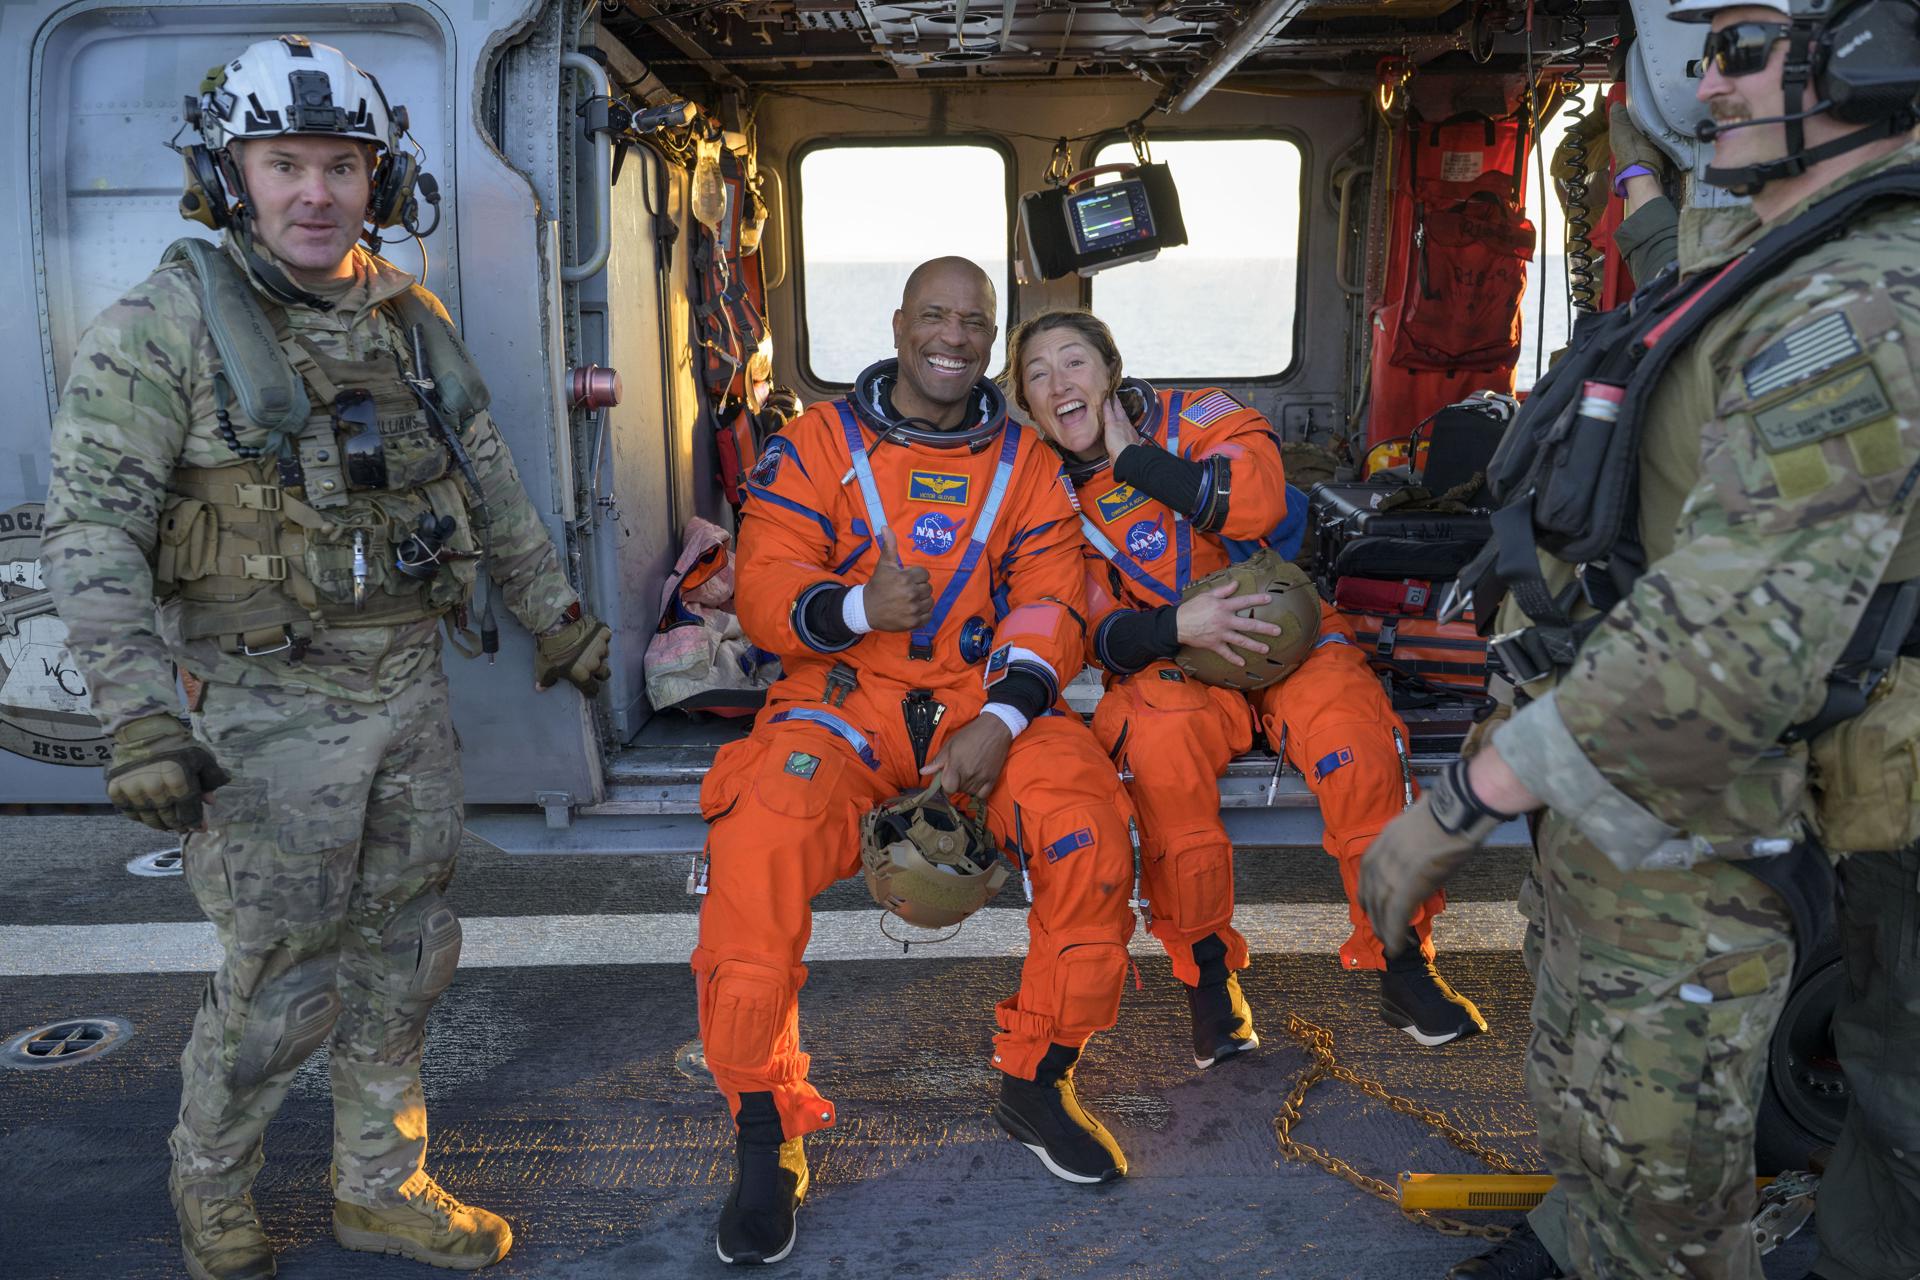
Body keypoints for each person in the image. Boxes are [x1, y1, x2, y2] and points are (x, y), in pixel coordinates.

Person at [1361, 1, 1920, 1275]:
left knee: (1701, 1133)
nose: (1703, 86)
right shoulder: (1777, 248)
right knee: (1641, 1111)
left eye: (1740, 51)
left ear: (1871, 57)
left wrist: (1467, 796)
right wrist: (1626, 162)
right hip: (1671, 761)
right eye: (1698, 54)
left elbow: (1741, 617)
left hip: (1734, 751)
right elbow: (1674, 255)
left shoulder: (1864, 296)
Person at [40, 35, 611, 1280]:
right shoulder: (162, 326)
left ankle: (381, 1185)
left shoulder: (410, 320)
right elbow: (91, 530)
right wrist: (138, 715)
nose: (315, 193)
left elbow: (488, 477)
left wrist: (555, 611)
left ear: (379, 181)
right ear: (228, 177)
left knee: (407, 955)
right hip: (263, 708)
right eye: (283, 164)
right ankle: (212, 1185)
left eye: (342, 166)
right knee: (277, 976)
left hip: (405, 689)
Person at [693, 257, 1141, 1266]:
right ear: (899, 324)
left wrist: (1007, 718)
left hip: (983, 706)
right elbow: (765, 586)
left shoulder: (1026, 464)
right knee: (758, 843)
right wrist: (857, 607)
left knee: (1087, 828)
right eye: (934, 316)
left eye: (974, 322)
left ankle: (1037, 1082)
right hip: (843, 703)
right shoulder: (817, 444)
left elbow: (1051, 603)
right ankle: (765, 1135)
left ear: (991, 338)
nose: (953, 336)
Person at [1007, 310, 1488, 1058]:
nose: (1059, 383)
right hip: (1173, 660)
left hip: (1283, 631)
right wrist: (1179, 626)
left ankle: (1402, 961)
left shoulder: (1196, 416)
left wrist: (1135, 460)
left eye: (1074, 362)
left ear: (1111, 370)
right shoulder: (1041, 494)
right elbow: (1083, 631)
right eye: (1038, 375)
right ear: (1029, 406)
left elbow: (1256, 499)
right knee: (1160, 747)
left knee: (1353, 735)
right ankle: (1208, 977)